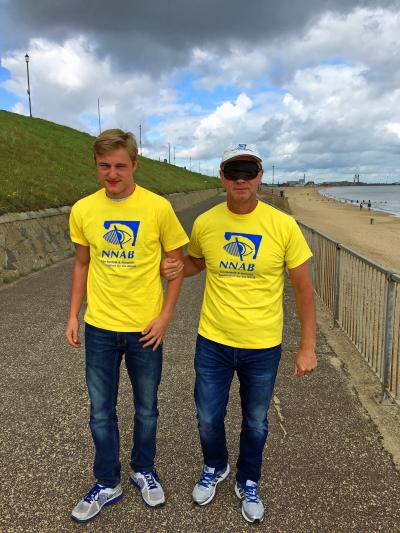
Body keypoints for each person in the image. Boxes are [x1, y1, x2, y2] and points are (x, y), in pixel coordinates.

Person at [162, 143, 317, 524]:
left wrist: (307, 346)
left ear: (260, 177)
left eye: (249, 171)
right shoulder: (207, 222)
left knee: (256, 421)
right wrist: (177, 268)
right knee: (207, 417)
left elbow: (303, 288)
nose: (241, 179)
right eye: (234, 172)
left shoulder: (282, 225)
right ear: (222, 177)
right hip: (213, 340)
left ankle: (248, 479)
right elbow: (198, 261)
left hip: (263, 345)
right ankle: (216, 467)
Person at [65, 129, 188, 523]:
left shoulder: (157, 208)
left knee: (147, 408)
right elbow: (82, 263)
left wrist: (166, 316)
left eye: (120, 165)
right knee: (100, 411)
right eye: (105, 166)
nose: (112, 174)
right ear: (96, 166)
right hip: (99, 326)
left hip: (145, 329)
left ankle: (143, 469)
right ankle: (107, 482)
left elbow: (177, 264)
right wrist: (73, 314)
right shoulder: (84, 209)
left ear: (134, 164)